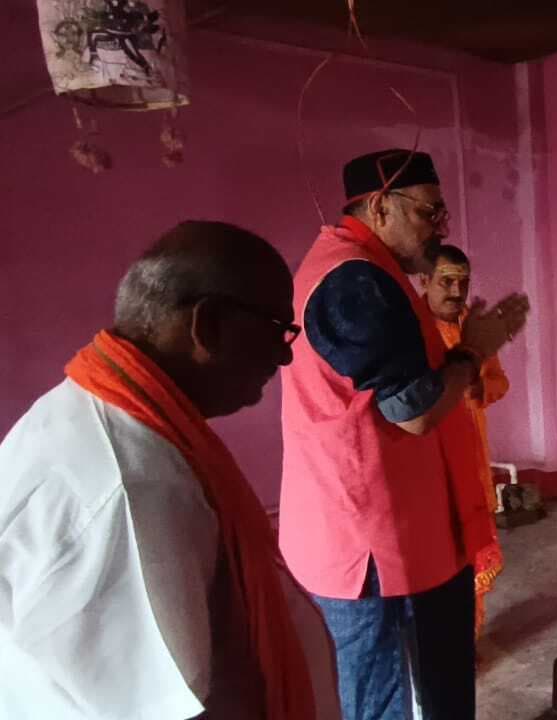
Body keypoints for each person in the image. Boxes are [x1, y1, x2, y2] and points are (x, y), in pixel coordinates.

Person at [0, 221, 337, 719]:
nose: (284, 353)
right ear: (209, 325)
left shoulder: (95, 410)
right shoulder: (134, 486)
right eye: (275, 330)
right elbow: (169, 706)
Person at [280, 148, 529, 720]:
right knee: (381, 698)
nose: (440, 229)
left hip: (406, 524)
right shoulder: (353, 281)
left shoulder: (370, 270)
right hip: (367, 538)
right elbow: (413, 411)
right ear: (378, 206)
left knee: (438, 679)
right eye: (428, 212)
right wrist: (473, 350)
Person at [422, 245, 509, 638]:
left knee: (473, 556)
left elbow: (498, 381)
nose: (456, 290)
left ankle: (468, 637)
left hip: (473, 458)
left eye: (463, 281)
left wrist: (475, 381)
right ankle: (439, 638)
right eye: (446, 280)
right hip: (430, 465)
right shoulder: (411, 328)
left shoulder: (473, 328)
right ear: (424, 280)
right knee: (438, 559)